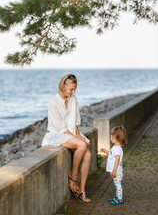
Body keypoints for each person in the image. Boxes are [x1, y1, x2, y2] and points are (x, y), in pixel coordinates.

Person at [41, 74, 91, 203]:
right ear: (63, 86)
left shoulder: (73, 99)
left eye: (75, 89)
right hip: (57, 134)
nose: (73, 92)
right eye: (71, 89)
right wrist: (78, 140)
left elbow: (75, 121)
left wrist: (78, 135)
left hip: (71, 133)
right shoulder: (54, 103)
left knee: (88, 154)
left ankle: (83, 191)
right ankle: (73, 177)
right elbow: (61, 128)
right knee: (82, 145)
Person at [100, 125, 127, 205]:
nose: (110, 137)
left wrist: (114, 170)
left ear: (117, 137)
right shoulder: (115, 147)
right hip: (115, 171)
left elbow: (117, 160)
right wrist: (106, 151)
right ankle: (117, 197)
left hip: (117, 171)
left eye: (111, 136)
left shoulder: (118, 149)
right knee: (116, 184)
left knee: (118, 185)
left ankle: (119, 199)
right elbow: (112, 155)